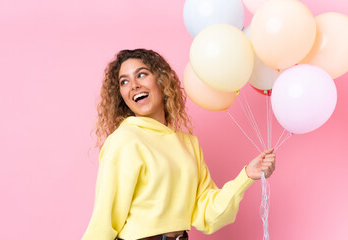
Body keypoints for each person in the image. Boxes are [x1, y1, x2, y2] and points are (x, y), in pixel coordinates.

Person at [82, 49, 276, 240]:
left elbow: (206, 214)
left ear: (161, 80)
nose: (134, 85)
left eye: (141, 75)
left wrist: (247, 176)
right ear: (121, 95)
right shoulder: (124, 140)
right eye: (124, 81)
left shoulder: (188, 144)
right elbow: (104, 219)